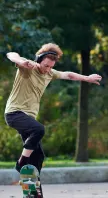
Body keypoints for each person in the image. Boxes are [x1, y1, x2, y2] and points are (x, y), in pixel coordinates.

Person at [5, 44, 102, 176]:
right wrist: (21, 61)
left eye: (51, 66)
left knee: (38, 155)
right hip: (14, 113)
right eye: (46, 65)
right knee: (38, 129)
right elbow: (11, 54)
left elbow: (68, 75)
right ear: (39, 60)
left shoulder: (50, 73)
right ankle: (21, 162)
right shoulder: (28, 67)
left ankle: (32, 192)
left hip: (28, 118)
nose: (48, 69)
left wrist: (87, 78)